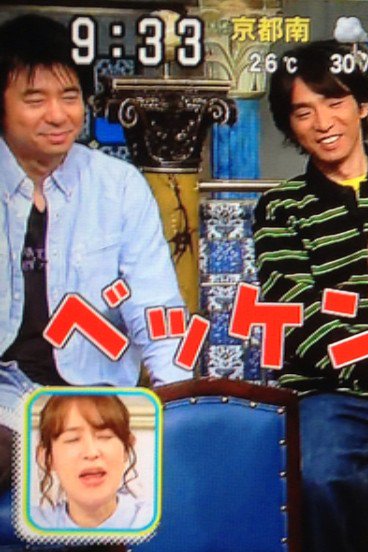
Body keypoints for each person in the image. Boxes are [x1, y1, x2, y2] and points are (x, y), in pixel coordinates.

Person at [255, 39, 368, 552]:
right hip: (329, 390)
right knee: (321, 476)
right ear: (290, 125)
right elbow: (298, 314)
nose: (322, 122)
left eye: (335, 102)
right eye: (303, 112)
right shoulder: (281, 207)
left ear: (363, 104)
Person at [0, 15, 188, 486]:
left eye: (69, 97)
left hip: (96, 398)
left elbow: (156, 308)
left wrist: (182, 402)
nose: (57, 115)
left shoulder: (118, 186)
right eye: (35, 100)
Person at [31, 394, 150, 530]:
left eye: (105, 436)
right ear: (46, 457)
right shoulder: (30, 525)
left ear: (127, 448)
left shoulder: (155, 520)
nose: (91, 453)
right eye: (72, 439)